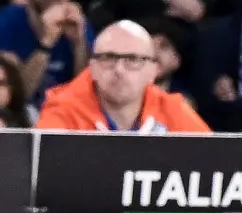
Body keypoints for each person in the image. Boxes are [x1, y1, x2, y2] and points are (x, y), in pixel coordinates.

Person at [35, 19, 211, 131]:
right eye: (108, 58)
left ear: (153, 71)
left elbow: (213, 162)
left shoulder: (173, 110)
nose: (118, 69)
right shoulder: (63, 110)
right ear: (92, 67)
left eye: (132, 59)